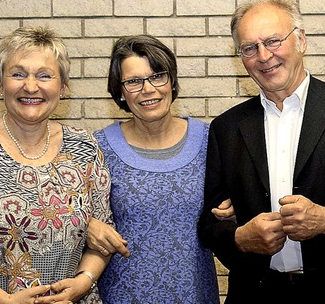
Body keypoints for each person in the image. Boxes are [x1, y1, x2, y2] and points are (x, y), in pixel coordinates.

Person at [197, 0, 325, 303]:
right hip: (256, 294)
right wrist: (240, 238)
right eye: (250, 48)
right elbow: (210, 223)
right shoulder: (226, 128)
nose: (264, 56)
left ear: (301, 40)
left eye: (273, 41)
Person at [0, 26, 113, 304]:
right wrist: (3, 301)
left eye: (44, 76)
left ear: (63, 87)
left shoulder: (85, 148)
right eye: (18, 74)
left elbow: (103, 237)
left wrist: (83, 282)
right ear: (0, 83)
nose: (31, 86)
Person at [84, 34, 222, 304]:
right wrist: (86, 225)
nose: (148, 89)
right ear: (121, 92)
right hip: (122, 295)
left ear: (172, 81)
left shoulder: (210, 140)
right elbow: (74, 212)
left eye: (157, 76)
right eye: (134, 81)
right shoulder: (98, 147)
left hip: (195, 293)